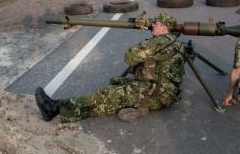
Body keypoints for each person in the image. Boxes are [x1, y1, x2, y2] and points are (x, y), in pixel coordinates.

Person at [35, 13, 185, 123]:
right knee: (116, 83)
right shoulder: (174, 43)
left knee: (105, 96)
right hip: (162, 92)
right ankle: (61, 106)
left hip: (153, 94)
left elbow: (130, 57)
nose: (152, 25)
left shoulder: (158, 43)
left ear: (164, 27)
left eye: (156, 24)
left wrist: (148, 42)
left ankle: (55, 109)